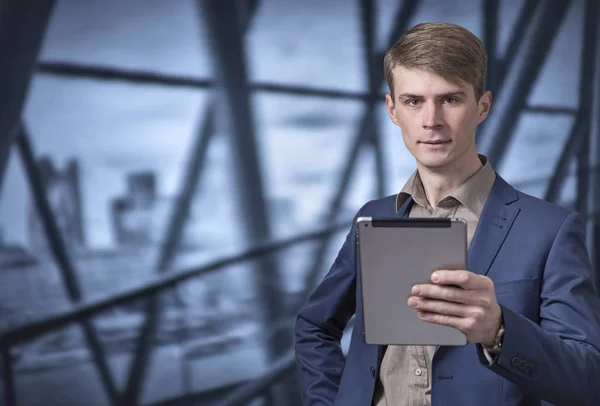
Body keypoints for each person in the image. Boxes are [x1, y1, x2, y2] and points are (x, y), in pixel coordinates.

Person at [294, 22, 600, 406]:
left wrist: (499, 330)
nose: (431, 120)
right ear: (393, 110)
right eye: (413, 101)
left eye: (451, 99)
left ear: (483, 106)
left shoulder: (550, 230)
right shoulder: (372, 217)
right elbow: (315, 325)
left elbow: (589, 378)